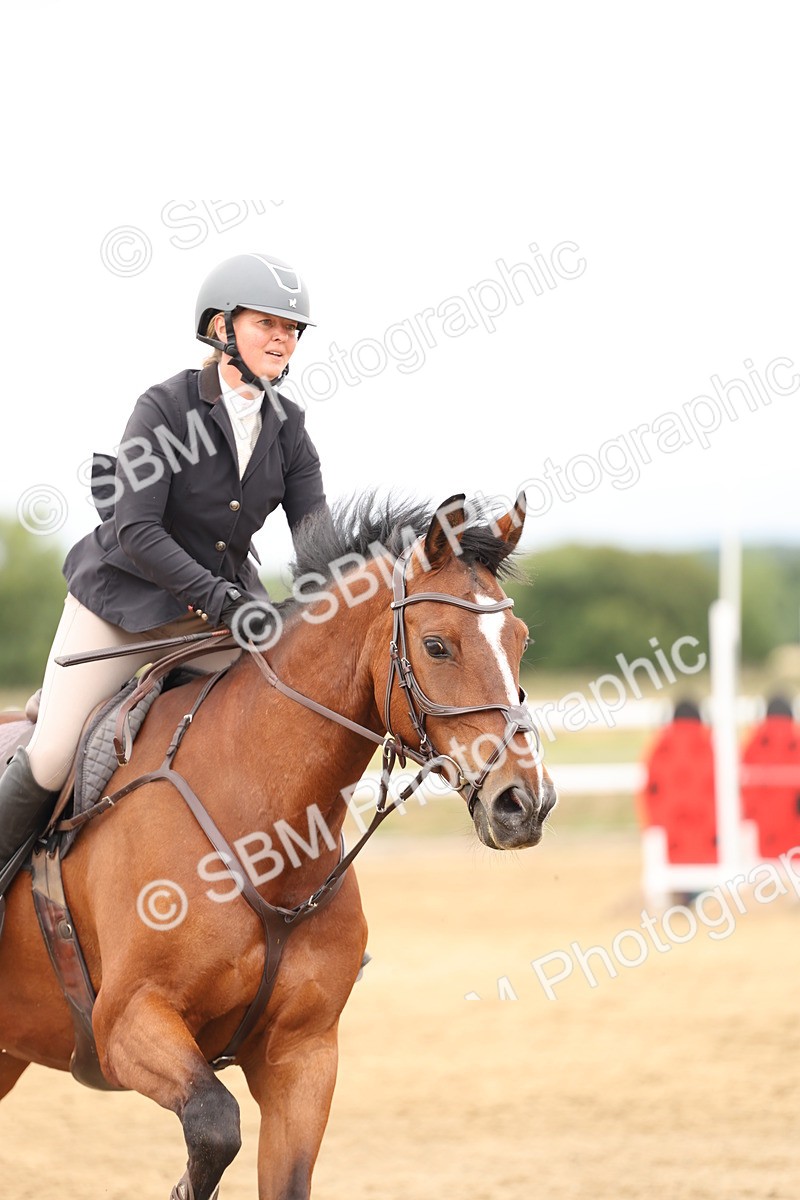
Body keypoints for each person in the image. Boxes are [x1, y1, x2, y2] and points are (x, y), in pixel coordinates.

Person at [0, 252, 329, 884]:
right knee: (50, 758)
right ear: (220, 328)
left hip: (215, 622)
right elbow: (138, 529)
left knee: (283, 723)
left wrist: (336, 596)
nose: (283, 337)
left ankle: (298, 902)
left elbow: (319, 541)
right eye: (267, 322)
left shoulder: (289, 428)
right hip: (123, 607)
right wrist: (225, 601)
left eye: (292, 328)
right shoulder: (164, 407)